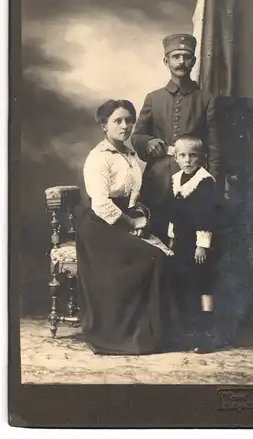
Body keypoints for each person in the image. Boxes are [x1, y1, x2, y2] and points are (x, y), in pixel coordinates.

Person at [76, 99, 178, 355]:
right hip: (100, 228)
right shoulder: (99, 158)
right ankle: (121, 334)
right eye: (117, 121)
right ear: (104, 125)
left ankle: (151, 333)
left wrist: (139, 216)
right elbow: (101, 204)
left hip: (123, 222)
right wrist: (131, 222)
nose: (125, 126)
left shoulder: (129, 154)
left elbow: (132, 196)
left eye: (129, 120)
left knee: (163, 252)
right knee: (152, 257)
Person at [131, 33, 220, 244]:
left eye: (186, 57)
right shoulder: (154, 98)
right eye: (176, 56)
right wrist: (148, 143)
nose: (181, 62)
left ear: (194, 62)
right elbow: (137, 137)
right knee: (156, 233)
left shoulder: (206, 99)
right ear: (166, 61)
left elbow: (215, 145)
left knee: (187, 238)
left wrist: (213, 180)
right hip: (159, 178)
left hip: (193, 178)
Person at [167, 135, 217, 353]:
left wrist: (202, 245)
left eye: (192, 155)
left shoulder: (205, 181)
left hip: (198, 243)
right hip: (181, 241)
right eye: (182, 155)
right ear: (176, 157)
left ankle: (206, 334)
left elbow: (206, 215)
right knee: (184, 284)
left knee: (202, 285)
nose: (187, 160)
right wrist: (171, 236)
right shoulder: (176, 178)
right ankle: (186, 333)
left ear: (201, 157)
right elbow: (174, 212)